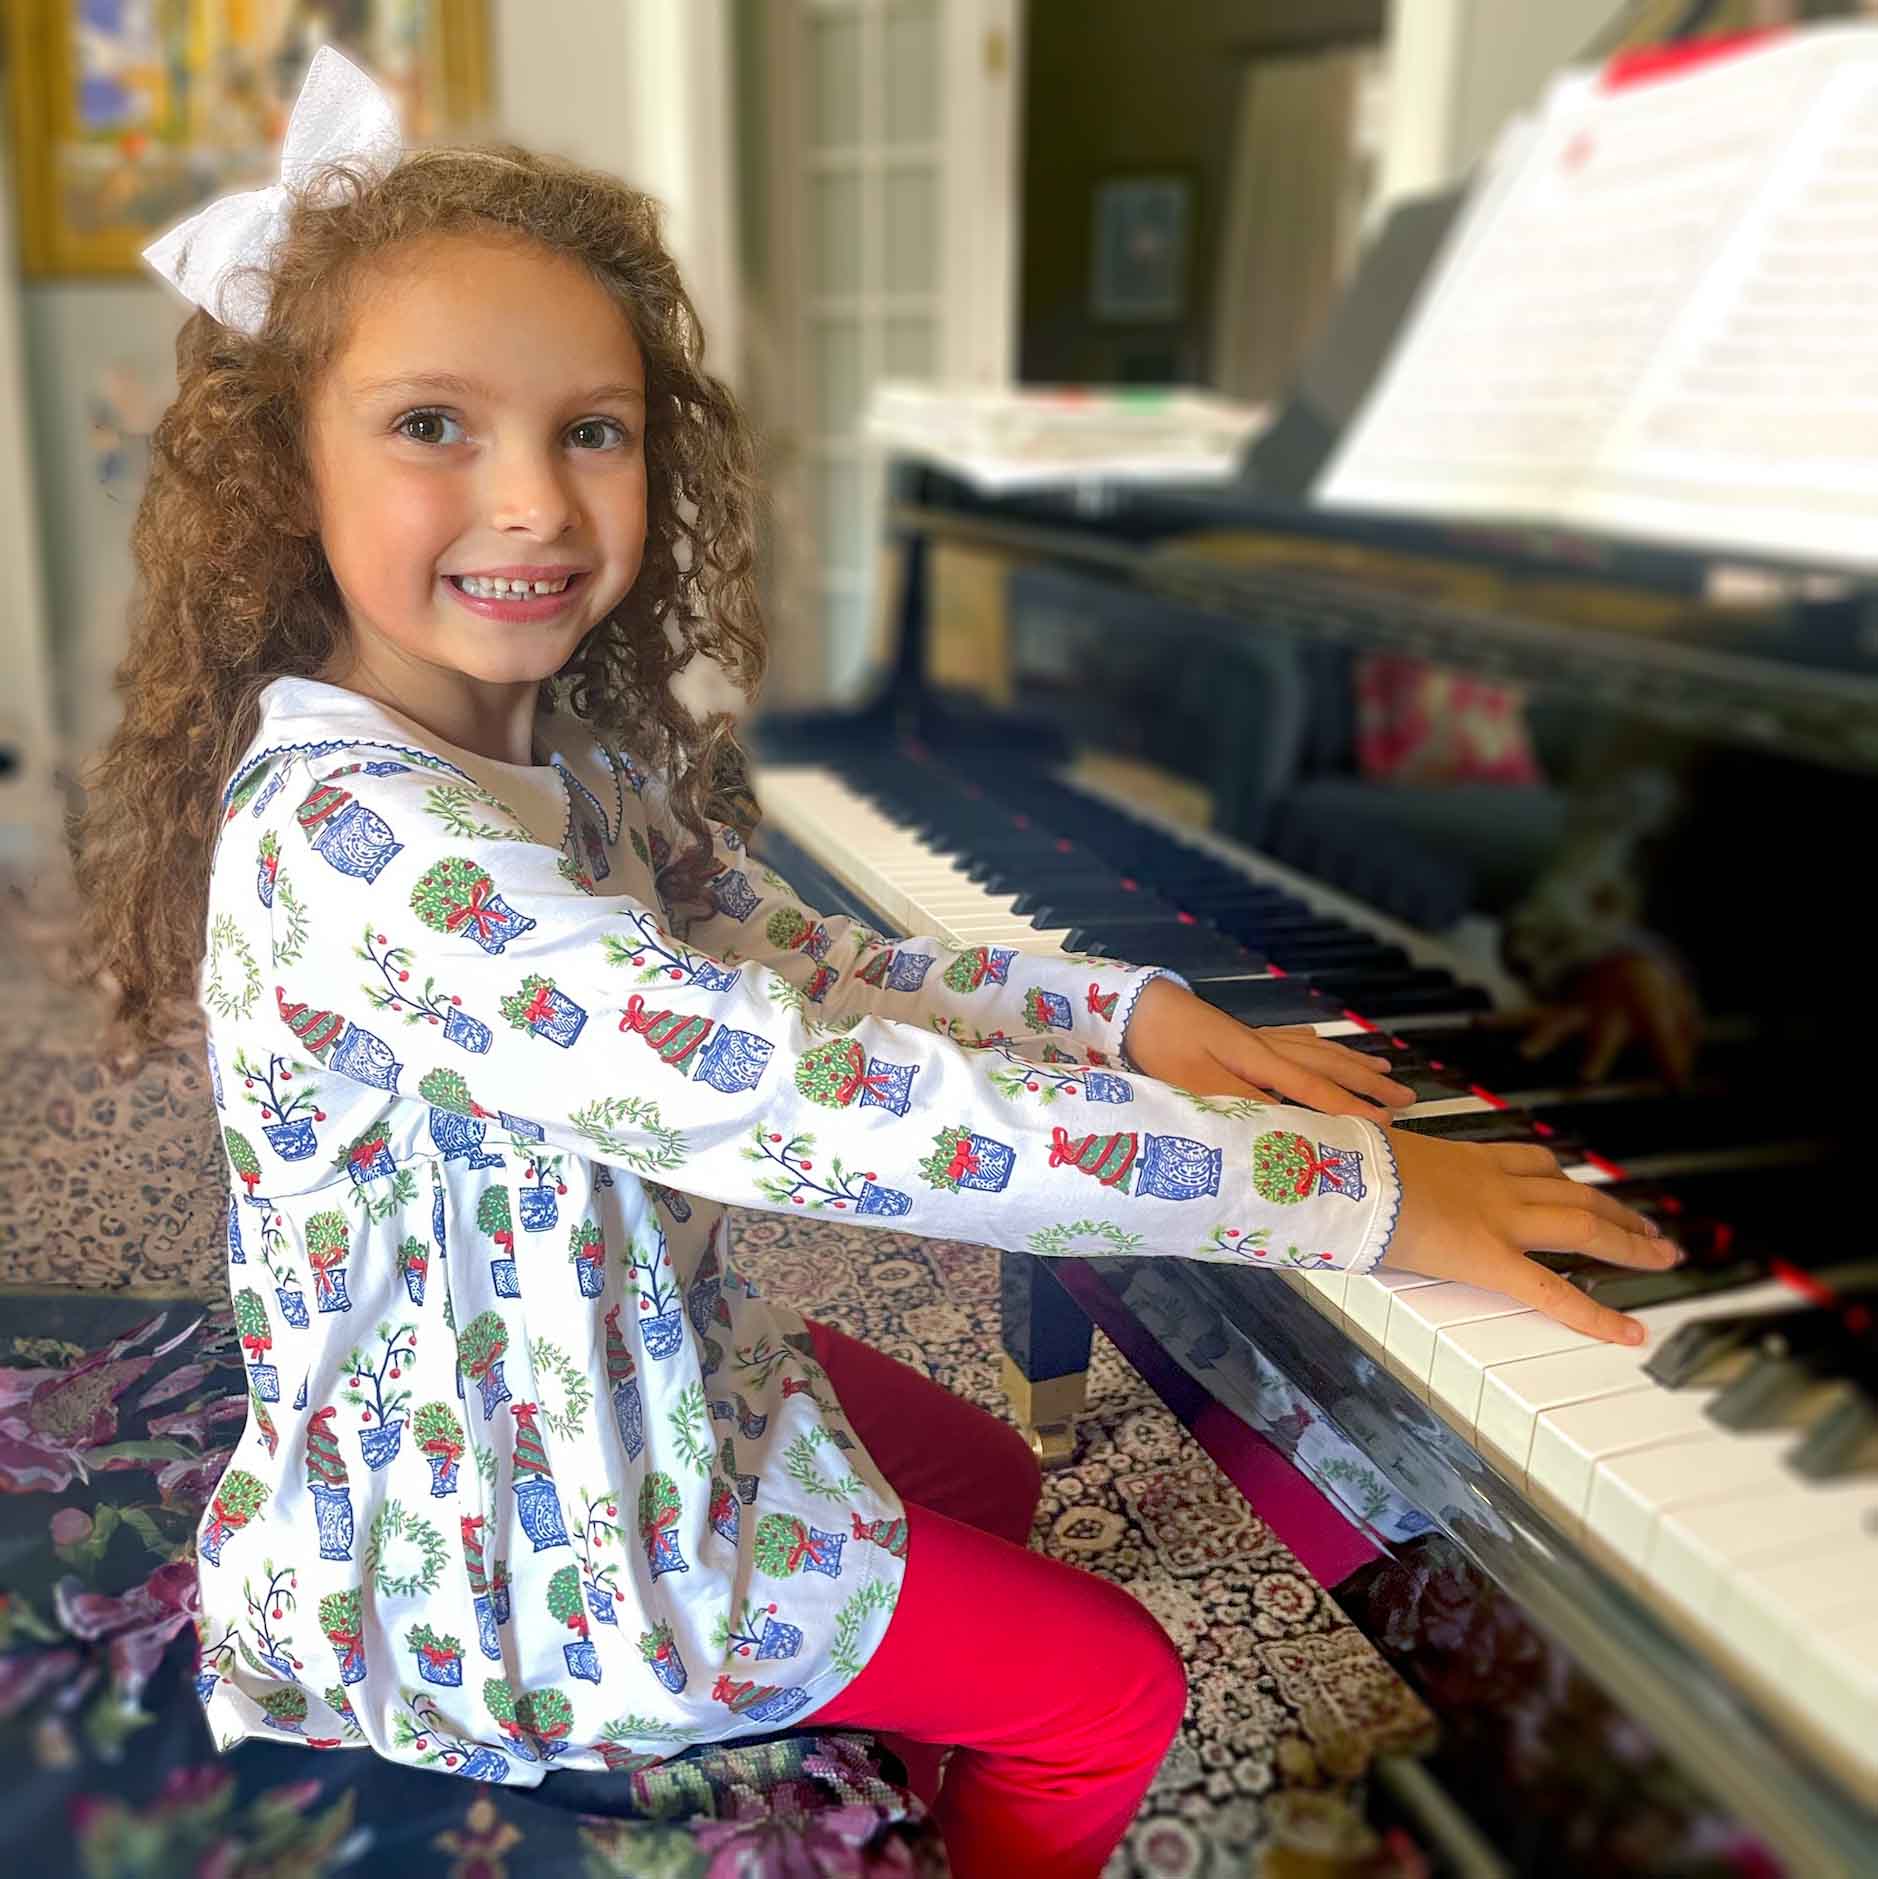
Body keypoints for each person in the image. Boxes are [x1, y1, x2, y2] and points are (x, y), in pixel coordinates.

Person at [67, 51, 1673, 1879]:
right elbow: (801, 1105)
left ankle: (879, 1784)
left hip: (604, 1355)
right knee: (1113, 1687)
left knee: (990, 1482)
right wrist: (1351, 1194)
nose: (531, 502)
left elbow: (805, 965)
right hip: (505, 1546)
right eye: (432, 425)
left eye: (589, 429)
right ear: (288, 468)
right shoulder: (374, 854)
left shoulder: (546, 768)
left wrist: (1127, 1011)